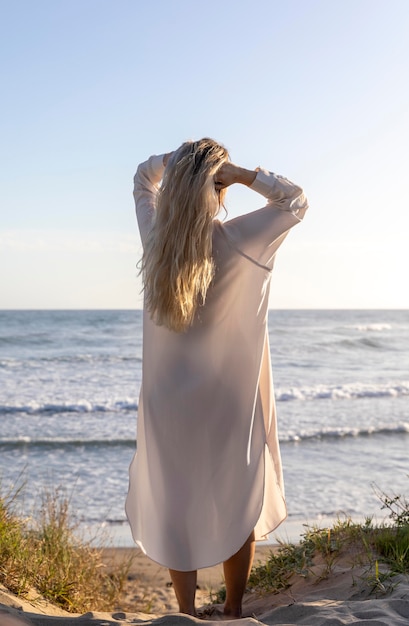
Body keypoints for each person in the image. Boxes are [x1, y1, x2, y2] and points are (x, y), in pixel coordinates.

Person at [125, 138, 308, 618]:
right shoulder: (243, 239)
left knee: (176, 501)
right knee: (234, 494)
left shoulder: (156, 237)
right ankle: (232, 610)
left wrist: (175, 162)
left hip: (169, 400)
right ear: (219, 185)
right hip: (226, 399)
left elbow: (143, 178)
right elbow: (294, 200)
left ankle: (184, 611)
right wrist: (244, 175)